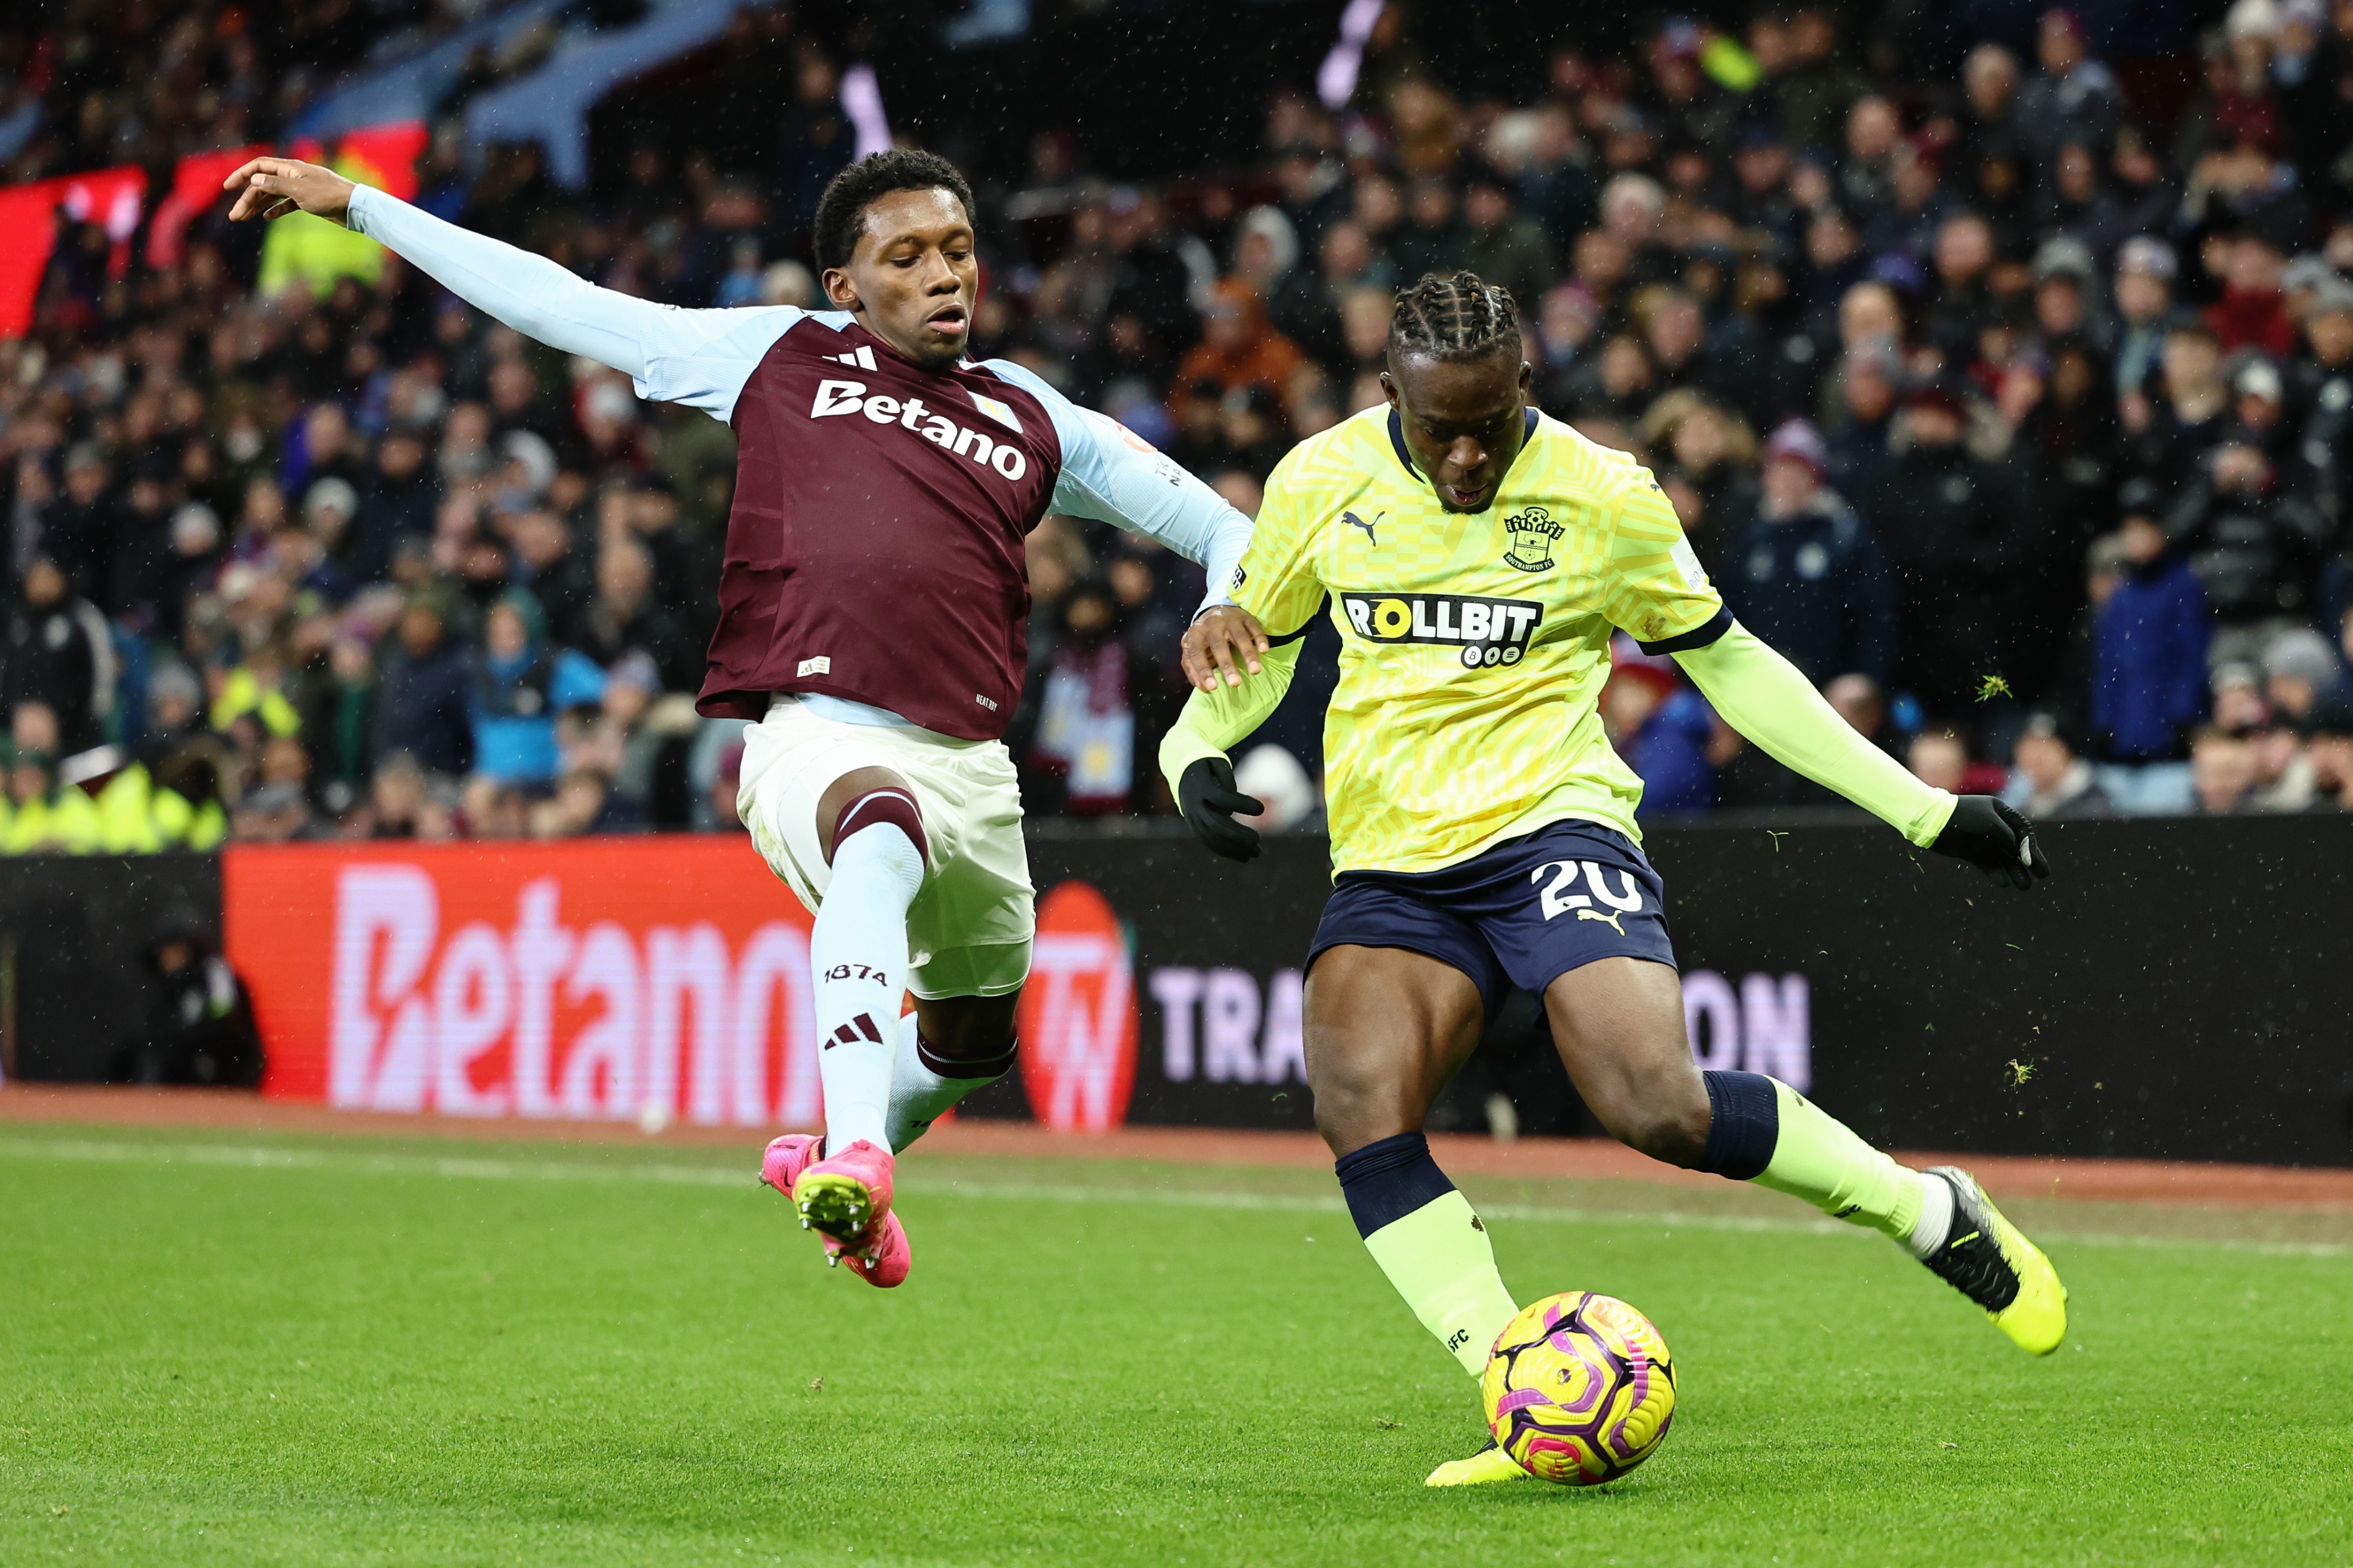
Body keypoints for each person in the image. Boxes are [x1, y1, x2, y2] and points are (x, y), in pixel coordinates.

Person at [225, 148, 1263, 1286]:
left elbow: (1224, 530)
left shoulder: (1031, 414)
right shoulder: (781, 355)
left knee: (973, 1048)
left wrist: (1220, 602)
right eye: (905, 256)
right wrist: (368, 208)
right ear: (845, 286)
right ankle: (862, 1153)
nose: (943, 275)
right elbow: (563, 304)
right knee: (876, 829)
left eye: (957, 249)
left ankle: (818, 1162)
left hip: (973, 765)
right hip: (815, 737)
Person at [1155, 273, 2064, 1490]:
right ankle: (1513, 1383)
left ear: (1524, 382)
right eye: (1440, 429)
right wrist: (1191, 752)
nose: (1469, 453)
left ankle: (1927, 1211)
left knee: (1655, 1103)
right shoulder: (1318, 481)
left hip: (1550, 826)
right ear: (1387, 396)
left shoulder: (1602, 494)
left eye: (1492, 421)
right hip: (1392, 858)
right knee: (1356, 1096)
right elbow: (1247, 658)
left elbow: (1729, 666)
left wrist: (1920, 808)